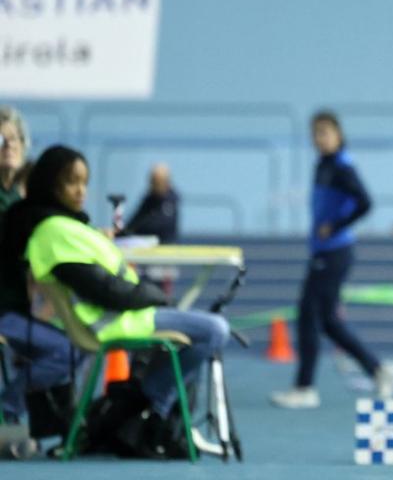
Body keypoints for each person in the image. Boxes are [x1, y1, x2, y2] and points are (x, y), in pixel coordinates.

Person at [6, 146, 229, 451]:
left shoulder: (64, 224)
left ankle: (147, 407)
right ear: (50, 183)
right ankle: (152, 404)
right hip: (116, 322)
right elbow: (103, 291)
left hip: (128, 315)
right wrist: (157, 297)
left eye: (85, 182)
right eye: (72, 181)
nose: (81, 190)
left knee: (199, 333)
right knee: (216, 330)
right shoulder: (54, 230)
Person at [271, 111, 393, 409]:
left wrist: (336, 226)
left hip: (335, 252)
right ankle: (378, 370)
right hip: (323, 251)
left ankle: (305, 388)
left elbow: (366, 202)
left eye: (325, 133)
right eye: (315, 133)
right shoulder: (322, 164)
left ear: (338, 134)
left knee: (307, 316)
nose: (319, 139)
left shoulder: (342, 166)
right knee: (327, 321)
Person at [0, 108, 77, 443]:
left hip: (19, 307)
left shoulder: (22, 198)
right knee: (70, 350)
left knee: (78, 339)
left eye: (13, 139)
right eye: (0, 140)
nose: (8, 146)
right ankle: (8, 407)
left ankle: (60, 427)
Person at [124, 163, 180, 245]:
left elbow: (162, 227)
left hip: (165, 246)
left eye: (156, 182)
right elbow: (134, 222)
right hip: (145, 245)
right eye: (152, 181)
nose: (152, 184)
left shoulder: (171, 201)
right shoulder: (149, 199)